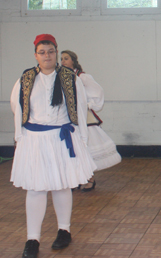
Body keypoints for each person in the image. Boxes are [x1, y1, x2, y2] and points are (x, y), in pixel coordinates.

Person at [10, 34, 96, 258]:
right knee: (36, 188)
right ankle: (32, 239)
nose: (47, 56)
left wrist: (82, 140)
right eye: (42, 52)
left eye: (50, 51)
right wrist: (20, 138)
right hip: (35, 139)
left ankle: (64, 230)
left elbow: (80, 106)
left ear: (56, 52)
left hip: (61, 137)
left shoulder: (70, 77)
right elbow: (17, 106)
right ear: (35, 55)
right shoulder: (26, 78)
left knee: (61, 185)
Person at [61, 50, 122, 192]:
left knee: (85, 149)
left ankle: (90, 178)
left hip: (83, 119)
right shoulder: (61, 77)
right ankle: (75, 179)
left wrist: (88, 105)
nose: (63, 61)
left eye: (66, 58)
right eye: (62, 58)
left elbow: (98, 91)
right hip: (67, 119)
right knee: (72, 149)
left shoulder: (82, 77)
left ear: (73, 61)